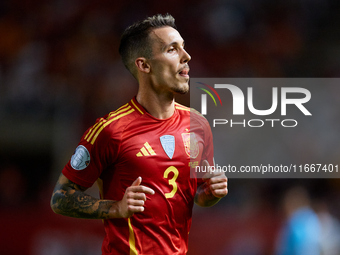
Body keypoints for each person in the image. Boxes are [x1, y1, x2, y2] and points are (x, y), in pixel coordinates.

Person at [50, 13, 228, 255]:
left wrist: (210, 193)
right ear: (144, 65)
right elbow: (60, 198)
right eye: (172, 50)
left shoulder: (198, 125)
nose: (187, 57)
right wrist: (116, 208)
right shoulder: (111, 130)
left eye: (183, 48)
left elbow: (196, 195)